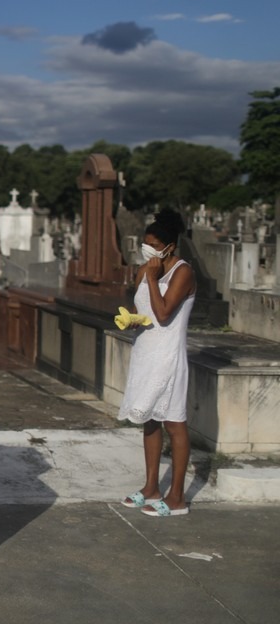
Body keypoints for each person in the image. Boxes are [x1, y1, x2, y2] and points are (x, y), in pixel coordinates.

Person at [118, 209, 195, 517]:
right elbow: (141, 306)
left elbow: (163, 314)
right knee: (150, 419)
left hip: (168, 355)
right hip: (145, 353)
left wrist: (151, 277)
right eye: (145, 243)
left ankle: (177, 498)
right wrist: (132, 319)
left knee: (174, 422)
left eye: (153, 244)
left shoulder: (182, 272)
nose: (147, 249)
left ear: (169, 246)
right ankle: (151, 487)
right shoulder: (143, 270)